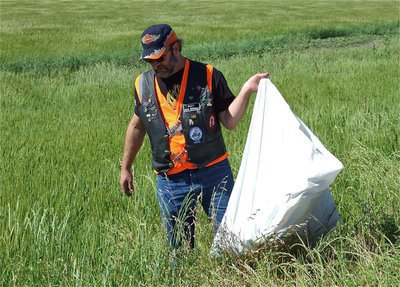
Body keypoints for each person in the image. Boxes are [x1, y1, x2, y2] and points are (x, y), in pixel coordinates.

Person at [119, 24, 268, 250]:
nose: (155, 65)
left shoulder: (208, 75)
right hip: (170, 180)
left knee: (230, 240)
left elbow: (230, 121)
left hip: (214, 172)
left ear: (175, 48)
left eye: (159, 58)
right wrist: (126, 167)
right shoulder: (142, 84)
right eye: (149, 61)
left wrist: (247, 89)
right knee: (178, 249)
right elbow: (137, 127)